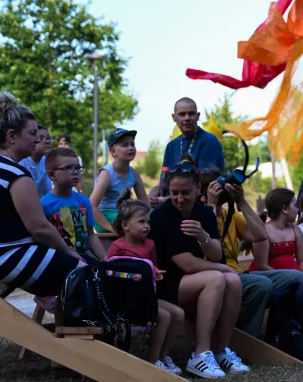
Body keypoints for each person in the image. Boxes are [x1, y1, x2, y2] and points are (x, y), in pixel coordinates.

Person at [0, 93, 82, 296]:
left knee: (70, 272)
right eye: (32, 133)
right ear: (12, 136)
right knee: (84, 273)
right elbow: (39, 228)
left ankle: (58, 308)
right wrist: (69, 252)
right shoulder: (15, 174)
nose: (38, 139)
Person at [148, 156, 249, 378]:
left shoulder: (203, 213)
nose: (179, 198)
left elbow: (216, 254)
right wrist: (223, 268)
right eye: (174, 192)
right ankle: (200, 354)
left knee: (233, 280)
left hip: (192, 279)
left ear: (197, 190)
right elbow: (187, 264)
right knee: (218, 278)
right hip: (165, 282)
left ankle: (221, 351)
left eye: (185, 192)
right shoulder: (161, 216)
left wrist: (203, 235)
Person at [204, 174, 303, 337]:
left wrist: (241, 202)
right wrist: (211, 206)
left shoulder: (231, 215)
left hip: (238, 274)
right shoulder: (198, 215)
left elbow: (260, 235)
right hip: (214, 275)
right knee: (262, 284)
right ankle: (247, 336)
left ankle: (280, 332)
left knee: (296, 277)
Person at [107, 199, 186, 375]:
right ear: (125, 225)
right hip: (125, 301)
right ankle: (152, 360)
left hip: (148, 296)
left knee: (179, 314)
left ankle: (162, 356)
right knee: (164, 316)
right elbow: (110, 274)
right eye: (141, 221)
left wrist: (156, 273)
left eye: (148, 221)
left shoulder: (150, 244)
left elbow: (153, 266)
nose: (147, 226)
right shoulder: (117, 247)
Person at [40, 147, 106, 263]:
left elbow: (91, 235)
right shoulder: (44, 205)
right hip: (58, 260)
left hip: (83, 258)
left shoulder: (84, 201)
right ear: (52, 175)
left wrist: (104, 259)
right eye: (69, 168)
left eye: (77, 167)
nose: (75, 172)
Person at [157, 97, 225, 205]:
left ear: (198, 116)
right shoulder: (171, 145)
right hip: (174, 203)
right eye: (182, 114)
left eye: (191, 113)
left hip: (203, 205)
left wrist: (168, 200)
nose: (187, 118)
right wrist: (152, 197)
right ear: (174, 117)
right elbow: (164, 179)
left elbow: (204, 181)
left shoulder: (210, 141)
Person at [90, 129, 149, 233]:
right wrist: (112, 229)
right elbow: (91, 206)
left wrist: (149, 217)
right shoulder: (107, 174)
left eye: (132, 144)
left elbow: (145, 202)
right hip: (105, 216)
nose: (130, 148)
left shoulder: (134, 173)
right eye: (125, 145)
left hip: (123, 215)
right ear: (113, 152)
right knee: (133, 220)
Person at [19, 124, 53, 197]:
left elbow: (48, 193)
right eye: (41, 138)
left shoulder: (46, 162)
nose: (47, 141)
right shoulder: (21, 162)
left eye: (48, 138)